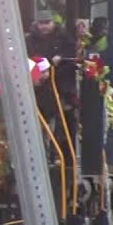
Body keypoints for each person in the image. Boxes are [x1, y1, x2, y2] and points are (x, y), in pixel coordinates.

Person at [26, 10, 79, 157]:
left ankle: (58, 152)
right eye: (41, 23)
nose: (44, 27)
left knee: (60, 120)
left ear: (53, 23)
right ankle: (40, 150)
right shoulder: (29, 40)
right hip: (37, 88)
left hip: (60, 87)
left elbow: (72, 56)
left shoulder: (64, 38)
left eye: (47, 23)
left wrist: (60, 58)